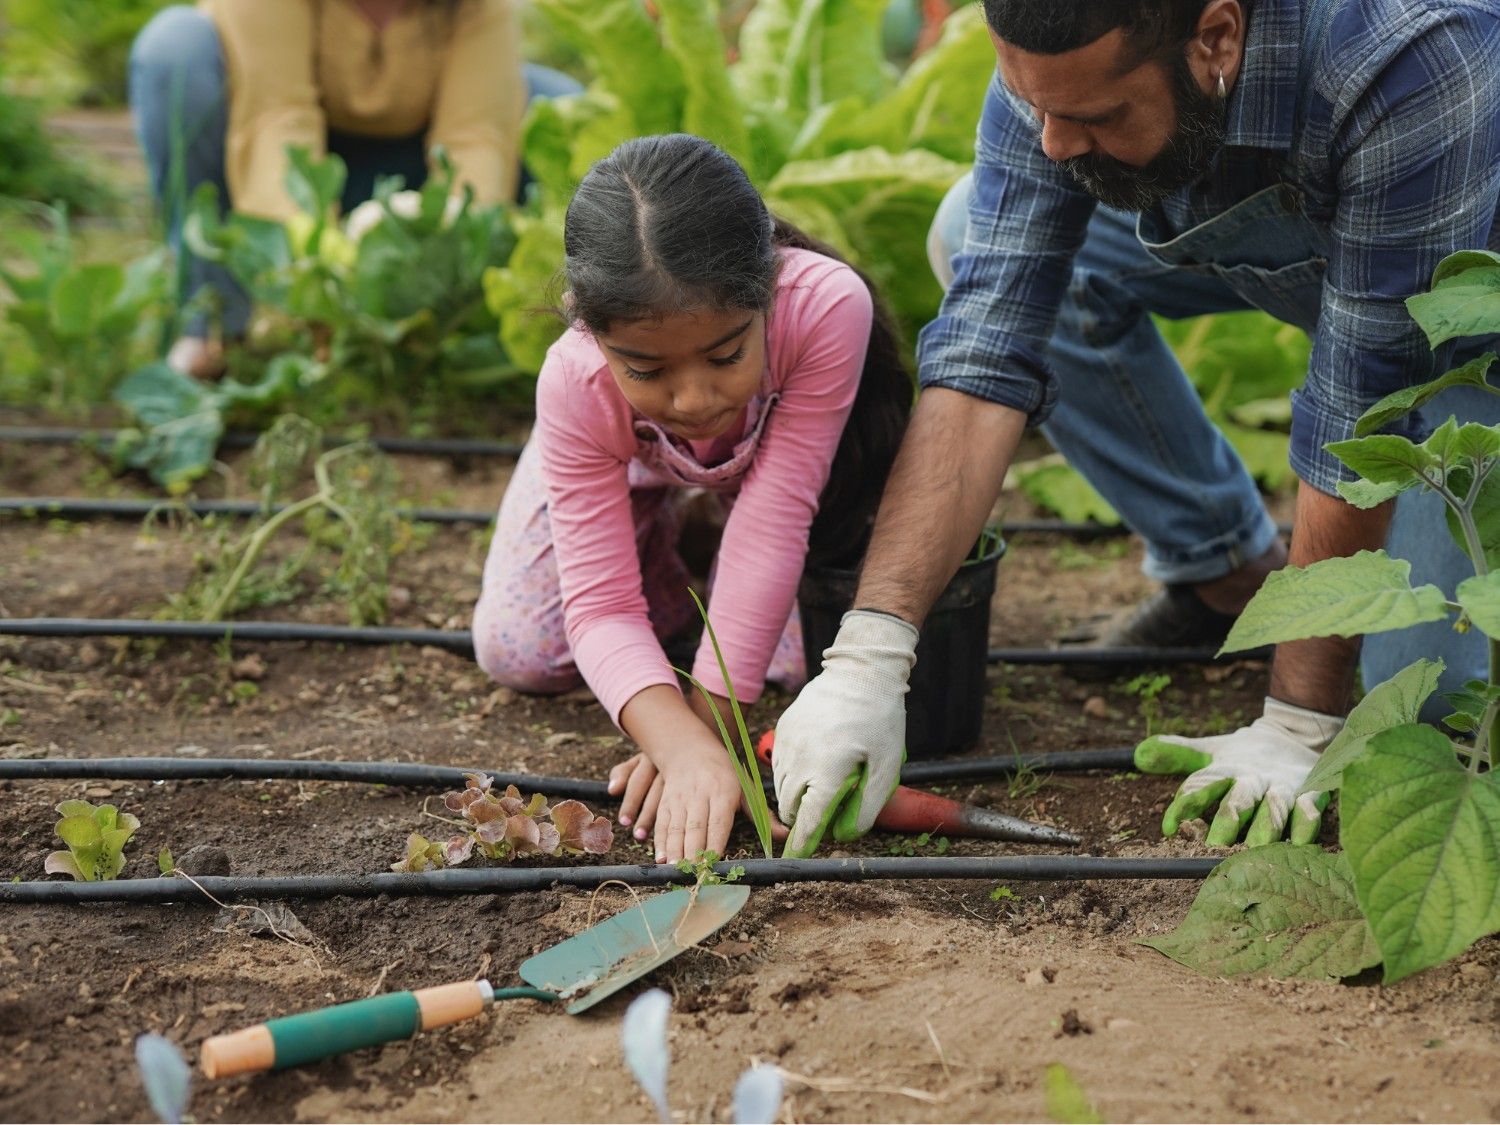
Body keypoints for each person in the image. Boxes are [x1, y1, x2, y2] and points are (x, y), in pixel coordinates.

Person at [773, 0, 1500, 855]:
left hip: (1465, 331)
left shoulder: (1407, 54)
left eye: (1093, 116)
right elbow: (983, 350)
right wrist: (869, 651)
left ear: (1216, 39)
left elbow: (1365, 400)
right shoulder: (1066, 57)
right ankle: (1222, 569)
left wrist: (1299, 719)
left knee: (1433, 712)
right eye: (1035, 106)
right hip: (1329, 258)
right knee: (969, 225)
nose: (1050, 142)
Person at [471, 133, 912, 865]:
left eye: (727, 354)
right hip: (633, 462)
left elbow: (774, 523)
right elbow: (602, 605)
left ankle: (702, 556)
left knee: (807, 662)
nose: (695, 396)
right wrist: (675, 742)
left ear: (765, 289)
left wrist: (704, 733)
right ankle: (679, 563)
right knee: (521, 649)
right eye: (646, 368)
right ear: (591, 328)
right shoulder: (576, 381)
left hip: (777, 482)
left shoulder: (826, 307)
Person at [128, 0, 581, 378]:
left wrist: (444, 252)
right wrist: (315, 270)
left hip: (409, 160)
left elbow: (476, 139)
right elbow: (276, 119)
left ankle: (540, 329)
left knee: (560, 104)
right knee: (176, 50)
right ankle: (213, 321)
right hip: (284, 151)